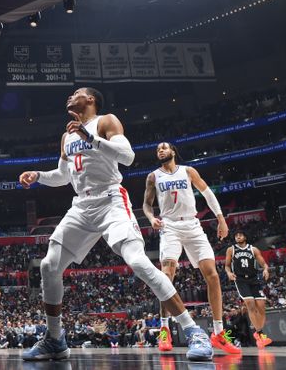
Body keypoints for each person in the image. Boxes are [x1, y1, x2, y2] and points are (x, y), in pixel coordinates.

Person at [18, 87, 213, 361]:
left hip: (111, 199)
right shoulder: (66, 135)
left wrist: (90, 137)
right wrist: (37, 175)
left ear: (90, 99)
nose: (69, 96)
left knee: (138, 262)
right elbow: (63, 175)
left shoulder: (107, 120)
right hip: (82, 205)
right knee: (49, 265)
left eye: (76, 93)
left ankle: (193, 331)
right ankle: (54, 339)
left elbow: (127, 156)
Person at [142, 142, 240, 354]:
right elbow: (147, 204)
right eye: (158, 149)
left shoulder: (188, 171)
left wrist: (221, 219)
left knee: (212, 275)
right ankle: (165, 329)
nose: (160, 150)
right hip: (169, 227)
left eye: (164, 148)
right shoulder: (153, 176)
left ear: (173, 152)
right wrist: (151, 218)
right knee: (166, 276)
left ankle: (218, 332)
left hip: (193, 226)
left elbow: (207, 193)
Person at [225, 230, 272, 348]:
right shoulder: (231, 249)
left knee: (261, 306)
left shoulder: (253, 249)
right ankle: (260, 334)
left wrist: (266, 270)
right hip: (240, 280)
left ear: (245, 236)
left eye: (240, 235)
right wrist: (229, 273)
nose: (238, 237)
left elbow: (264, 263)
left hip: (254, 279)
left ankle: (258, 331)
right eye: (236, 235)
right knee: (250, 303)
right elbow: (226, 265)